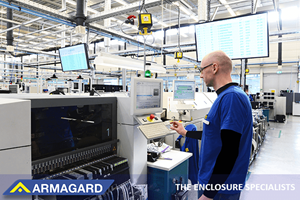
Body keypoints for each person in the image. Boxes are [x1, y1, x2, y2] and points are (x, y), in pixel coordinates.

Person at [170, 50, 253, 200]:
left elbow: (229, 151)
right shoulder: (226, 96)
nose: (201, 75)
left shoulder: (231, 98)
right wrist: (186, 133)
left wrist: (208, 194)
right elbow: (216, 135)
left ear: (214, 68)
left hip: (221, 189)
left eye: (201, 70)